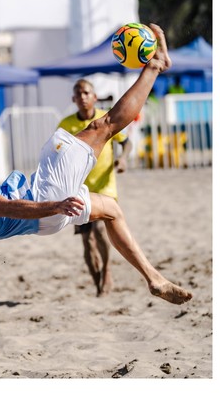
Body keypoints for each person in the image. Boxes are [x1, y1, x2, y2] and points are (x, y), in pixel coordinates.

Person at [0, 23, 192, 305]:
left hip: (41, 214)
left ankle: (154, 278)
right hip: (42, 200)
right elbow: (10, 207)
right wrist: (56, 205)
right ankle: (156, 66)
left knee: (112, 210)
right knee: (104, 126)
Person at [57, 79, 133, 297]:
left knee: (100, 230)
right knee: (86, 240)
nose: (82, 97)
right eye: (78, 93)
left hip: (105, 186)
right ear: (73, 99)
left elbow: (126, 142)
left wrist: (124, 159)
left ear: (94, 97)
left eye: (86, 93)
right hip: (77, 188)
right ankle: (97, 282)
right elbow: (57, 152)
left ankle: (107, 269)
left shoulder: (105, 119)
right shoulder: (66, 124)